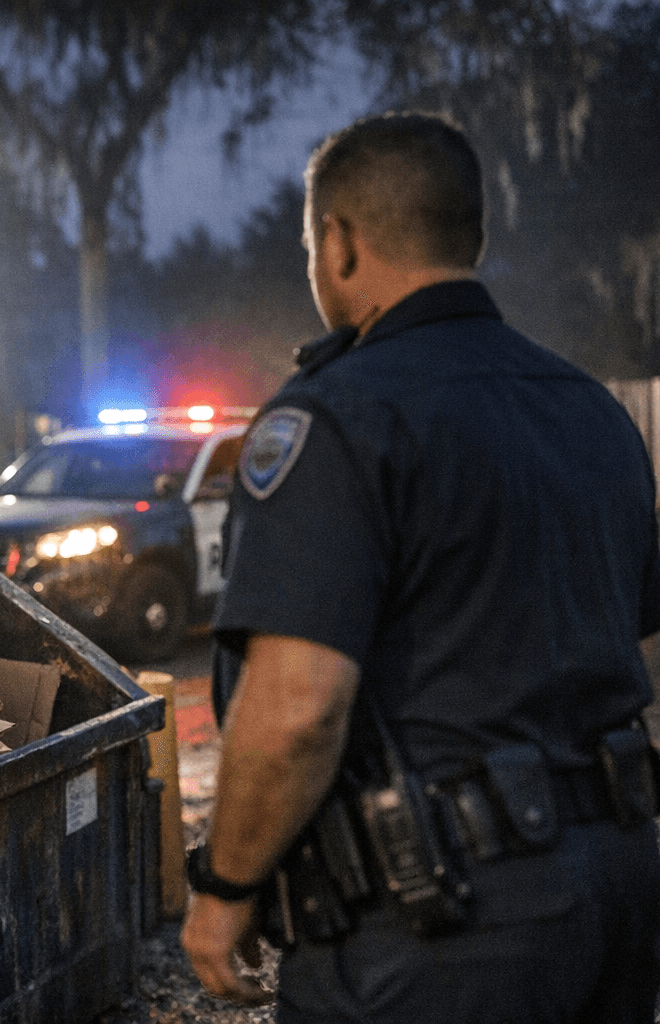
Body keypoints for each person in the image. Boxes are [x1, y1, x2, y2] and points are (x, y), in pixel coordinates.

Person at [180, 112, 660, 1021]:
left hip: (440, 920)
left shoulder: (338, 418)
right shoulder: (591, 410)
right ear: (468, 233)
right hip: (620, 886)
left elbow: (298, 708)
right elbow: (623, 634)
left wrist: (225, 885)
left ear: (339, 243)